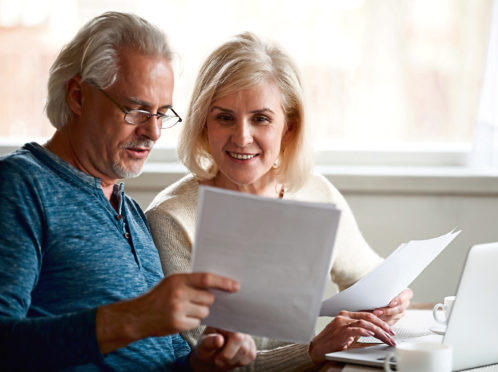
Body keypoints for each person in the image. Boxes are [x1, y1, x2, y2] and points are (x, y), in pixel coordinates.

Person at [0, 12, 256, 371]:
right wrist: (133, 318)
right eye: (137, 110)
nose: (153, 133)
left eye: (162, 113)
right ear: (78, 96)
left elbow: (161, 358)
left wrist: (202, 361)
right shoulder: (20, 187)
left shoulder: (132, 212)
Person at [146, 32, 413, 371]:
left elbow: (368, 277)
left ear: (289, 128)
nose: (242, 137)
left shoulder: (315, 192)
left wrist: (392, 299)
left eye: (261, 118)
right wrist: (314, 352)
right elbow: (204, 363)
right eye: (224, 117)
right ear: (203, 125)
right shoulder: (171, 219)